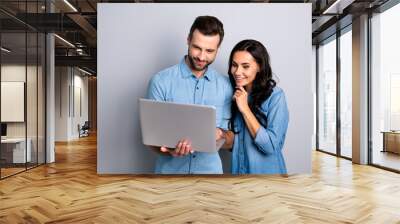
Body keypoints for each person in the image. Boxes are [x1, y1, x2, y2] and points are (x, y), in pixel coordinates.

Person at [146, 16, 233, 174]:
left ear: (218, 49)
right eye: (197, 47)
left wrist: (221, 134)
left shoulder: (226, 86)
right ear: (188, 40)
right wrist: (168, 150)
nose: (201, 56)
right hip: (169, 179)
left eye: (209, 51)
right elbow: (151, 140)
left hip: (210, 179)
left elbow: (231, 141)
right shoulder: (160, 81)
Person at [223, 39, 289, 174]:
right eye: (234, 65)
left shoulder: (276, 96)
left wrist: (245, 109)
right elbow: (237, 143)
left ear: (259, 66)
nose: (237, 71)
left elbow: (271, 146)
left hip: (268, 180)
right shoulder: (234, 94)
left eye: (245, 66)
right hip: (238, 176)